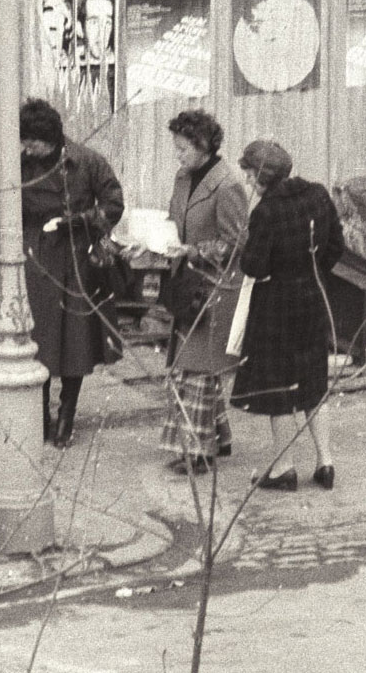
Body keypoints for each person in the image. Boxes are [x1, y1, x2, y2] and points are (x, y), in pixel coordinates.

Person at [229, 140, 345, 491]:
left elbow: (253, 265)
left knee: (279, 388)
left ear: (260, 176)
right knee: (314, 383)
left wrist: (247, 247)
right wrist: (313, 274)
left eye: (249, 175)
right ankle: (325, 462)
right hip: (313, 300)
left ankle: (284, 468)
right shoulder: (319, 195)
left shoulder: (265, 212)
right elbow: (337, 246)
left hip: (275, 308)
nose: (247, 182)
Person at [19, 98, 124, 447]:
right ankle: (39, 414)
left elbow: (114, 204)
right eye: (26, 141)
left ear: (50, 138)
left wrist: (79, 222)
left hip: (78, 259)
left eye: (34, 141)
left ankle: (66, 415)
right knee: (41, 341)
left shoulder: (88, 161)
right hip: (38, 258)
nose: (28, 148)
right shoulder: (19, 164)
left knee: (76, 341)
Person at [159, 110, 248, 474]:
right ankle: (218, 439)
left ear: (203, 146)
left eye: (183, 149)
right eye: (176, 148)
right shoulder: (184, 177)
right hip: (188, 282)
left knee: (194, 368)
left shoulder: (227, 185)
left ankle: (199, 453)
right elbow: (174, 223)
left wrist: (193, 251)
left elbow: (238, 242)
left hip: (216, 287)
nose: (178, 155)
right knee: (195, 367)